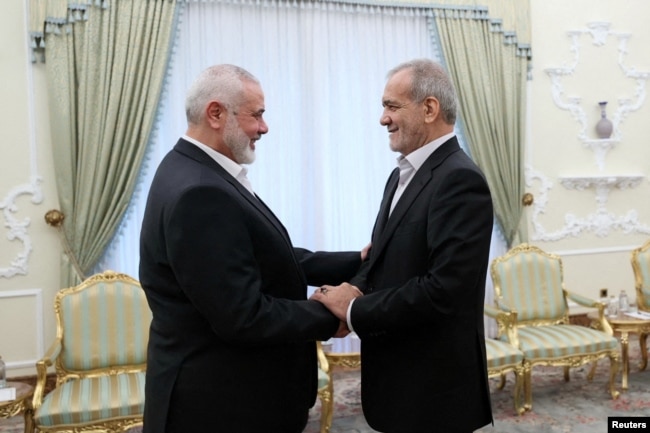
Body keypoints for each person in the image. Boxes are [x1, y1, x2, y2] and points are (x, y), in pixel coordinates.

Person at [139, 64, 364, 433]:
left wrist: (355, 260)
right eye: (256, 114)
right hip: (223, 404)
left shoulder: (189, 167)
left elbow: (263, 257)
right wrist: (335, 313)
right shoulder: (201, 192)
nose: (264, 127)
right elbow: (243, 316)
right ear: (216, 113)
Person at [311, 59, 494, 433]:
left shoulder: (460, 180)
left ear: (429, 109)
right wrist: (354, 288)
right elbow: (379, 256)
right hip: (396, 378)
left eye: (392, 107)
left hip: (433, 389)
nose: (383, 118)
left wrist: (355, 310)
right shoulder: (399, 175)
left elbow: (445, 291)